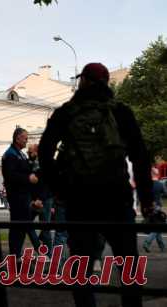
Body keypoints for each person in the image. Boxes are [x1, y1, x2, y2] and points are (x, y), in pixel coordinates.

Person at [38, 63, 154, 307]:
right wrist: (146, 202)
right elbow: (141, 158)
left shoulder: (66, 112)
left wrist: (60, 189)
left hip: (80, 201)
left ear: (84, 81)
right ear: (106, 82)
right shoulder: (121, 112)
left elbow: (45, 154)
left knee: (80, 271)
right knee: (128, 271)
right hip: (117, 199)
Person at [2, 127, 41, 257]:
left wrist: (31, 158)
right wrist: (28, 178)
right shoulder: (10, 155)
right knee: (18, 228)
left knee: (22, 227)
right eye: (25, 138)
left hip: (24, 196)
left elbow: (25, 169)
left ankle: (17, 254)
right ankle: (15, 256)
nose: (26, 140)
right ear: (17, 138)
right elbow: (10, 175)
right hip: (17, 197)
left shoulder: (20, 153)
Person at [143, 167, 166, 253]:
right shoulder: (160, 184)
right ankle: (147, 242)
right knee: (159, 226)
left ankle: (162, 247)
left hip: (148, 207)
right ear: (157, 174)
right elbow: (165, 193)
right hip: (157, 207)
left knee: (156, 226)